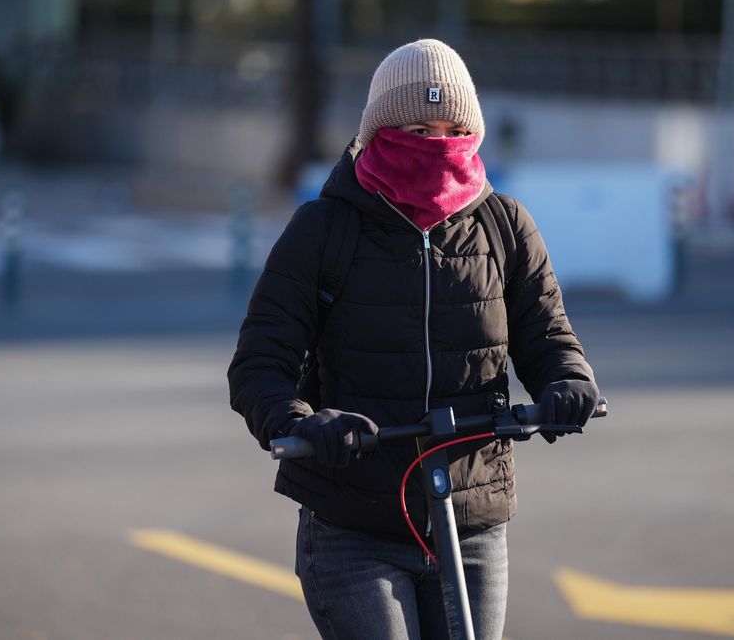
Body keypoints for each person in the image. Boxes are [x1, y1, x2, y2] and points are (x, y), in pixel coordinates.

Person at [228, 39, 601, 640]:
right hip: (354, 530)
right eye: (417, 128)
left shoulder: (505, 226)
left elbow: (550, 338)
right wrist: (300, 421)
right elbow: (258, 366)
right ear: (378, 131)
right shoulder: (323, 230)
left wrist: (570, 382)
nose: (437, 144)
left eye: (453, 128)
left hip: (473, 524)